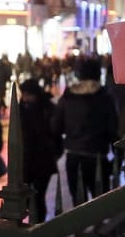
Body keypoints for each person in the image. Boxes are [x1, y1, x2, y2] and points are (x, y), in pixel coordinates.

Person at [51, 58, 119, 206]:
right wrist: (117, 159)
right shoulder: (105, 97)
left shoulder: (68, 97)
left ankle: (81, 229)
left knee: (78, 204)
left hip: (74, 156)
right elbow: (114, 130)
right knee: (100, 204)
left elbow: (56, 127)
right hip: (97, 156)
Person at [20, 78, 62, 223]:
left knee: (38, 195)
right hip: (28, 161)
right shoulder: (23, 109)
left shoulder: (44, 109)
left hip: (41, 160)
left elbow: (54, 132)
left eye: (27, 94)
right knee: (25, 196)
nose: (25, 98)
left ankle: (37, 227)